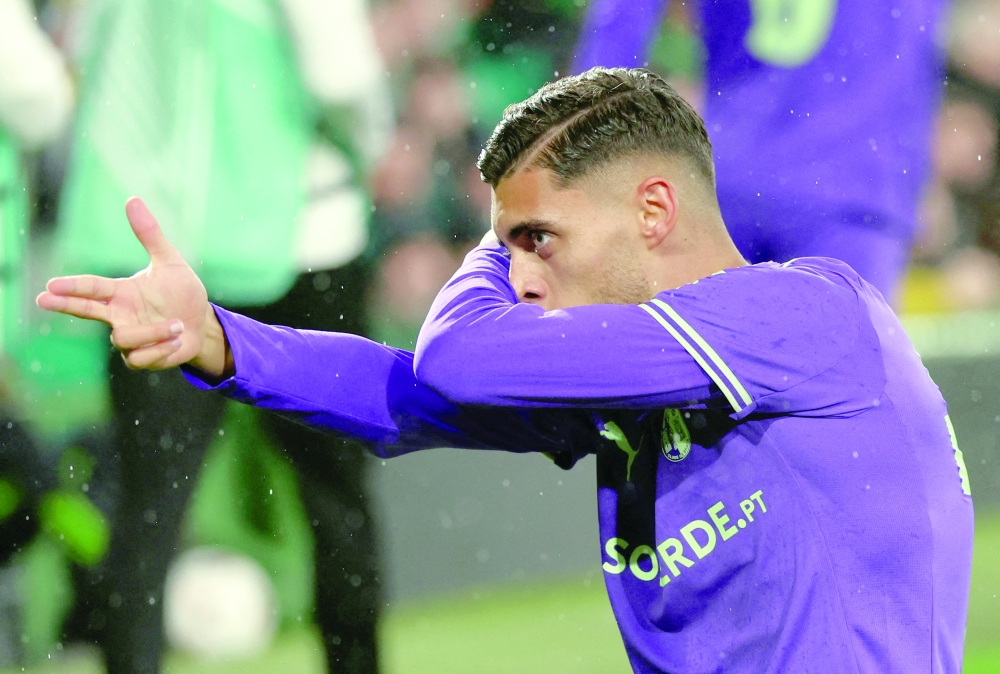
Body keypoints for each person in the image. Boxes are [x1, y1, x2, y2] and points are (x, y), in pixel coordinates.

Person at [38, 67, 973, 673]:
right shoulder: (643, 372)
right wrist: (221, 340)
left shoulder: (805, 317)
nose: (518, 279)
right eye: (509, 246)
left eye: (537, 240)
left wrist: (487, 240)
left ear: (654, 211)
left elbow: (459, 358)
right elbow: (405, 396)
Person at [50, 0, 390, 671]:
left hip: (158, 254)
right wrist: (369, 142)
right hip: (305, 239)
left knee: (149, 511)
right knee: (336, 501)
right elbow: (342, 76)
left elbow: (76, 66)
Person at [574, 0, 946, 303]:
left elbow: (621, 19)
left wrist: (585, 154)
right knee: (843, 385)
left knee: (702, 381)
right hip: (855, 186)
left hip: (726, 179)